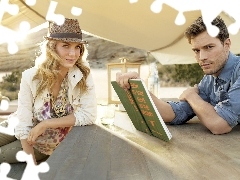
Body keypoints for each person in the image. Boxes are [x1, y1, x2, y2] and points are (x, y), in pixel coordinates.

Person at [116, 16, 240, 135]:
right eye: (196, 50)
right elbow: (173, 113)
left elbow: (219, 125)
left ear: (227, 45)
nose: (202, 57)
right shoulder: (209, 79)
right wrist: (137, 86)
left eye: (209, 47)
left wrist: (191, 96)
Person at [0, 18, 97, 164]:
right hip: (16, 124)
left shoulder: (83, 76)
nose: (73, 53)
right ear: (52, 47)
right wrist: (32, 167)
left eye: (77, 47)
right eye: (66, 45)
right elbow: (23, 121)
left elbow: (89, 115)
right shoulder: (31, 76)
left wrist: (46, 124)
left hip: (44, 143)